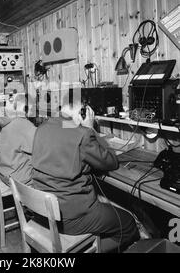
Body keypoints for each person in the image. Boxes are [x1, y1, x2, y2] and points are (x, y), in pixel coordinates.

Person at [31, 93, 140, 253]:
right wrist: (89, 128)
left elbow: (64, 138)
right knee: (129, 224)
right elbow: (111, 161)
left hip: (42, 209)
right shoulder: (83, 133)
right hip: (71, 216)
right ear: (83, 111)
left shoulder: (43, 127)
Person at [0, 94, 36, 186]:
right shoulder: (26, 126)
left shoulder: (6, 122)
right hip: (18, 180)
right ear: (26, 109)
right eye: (32, 108)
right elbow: (39, 149)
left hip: (4, 173)